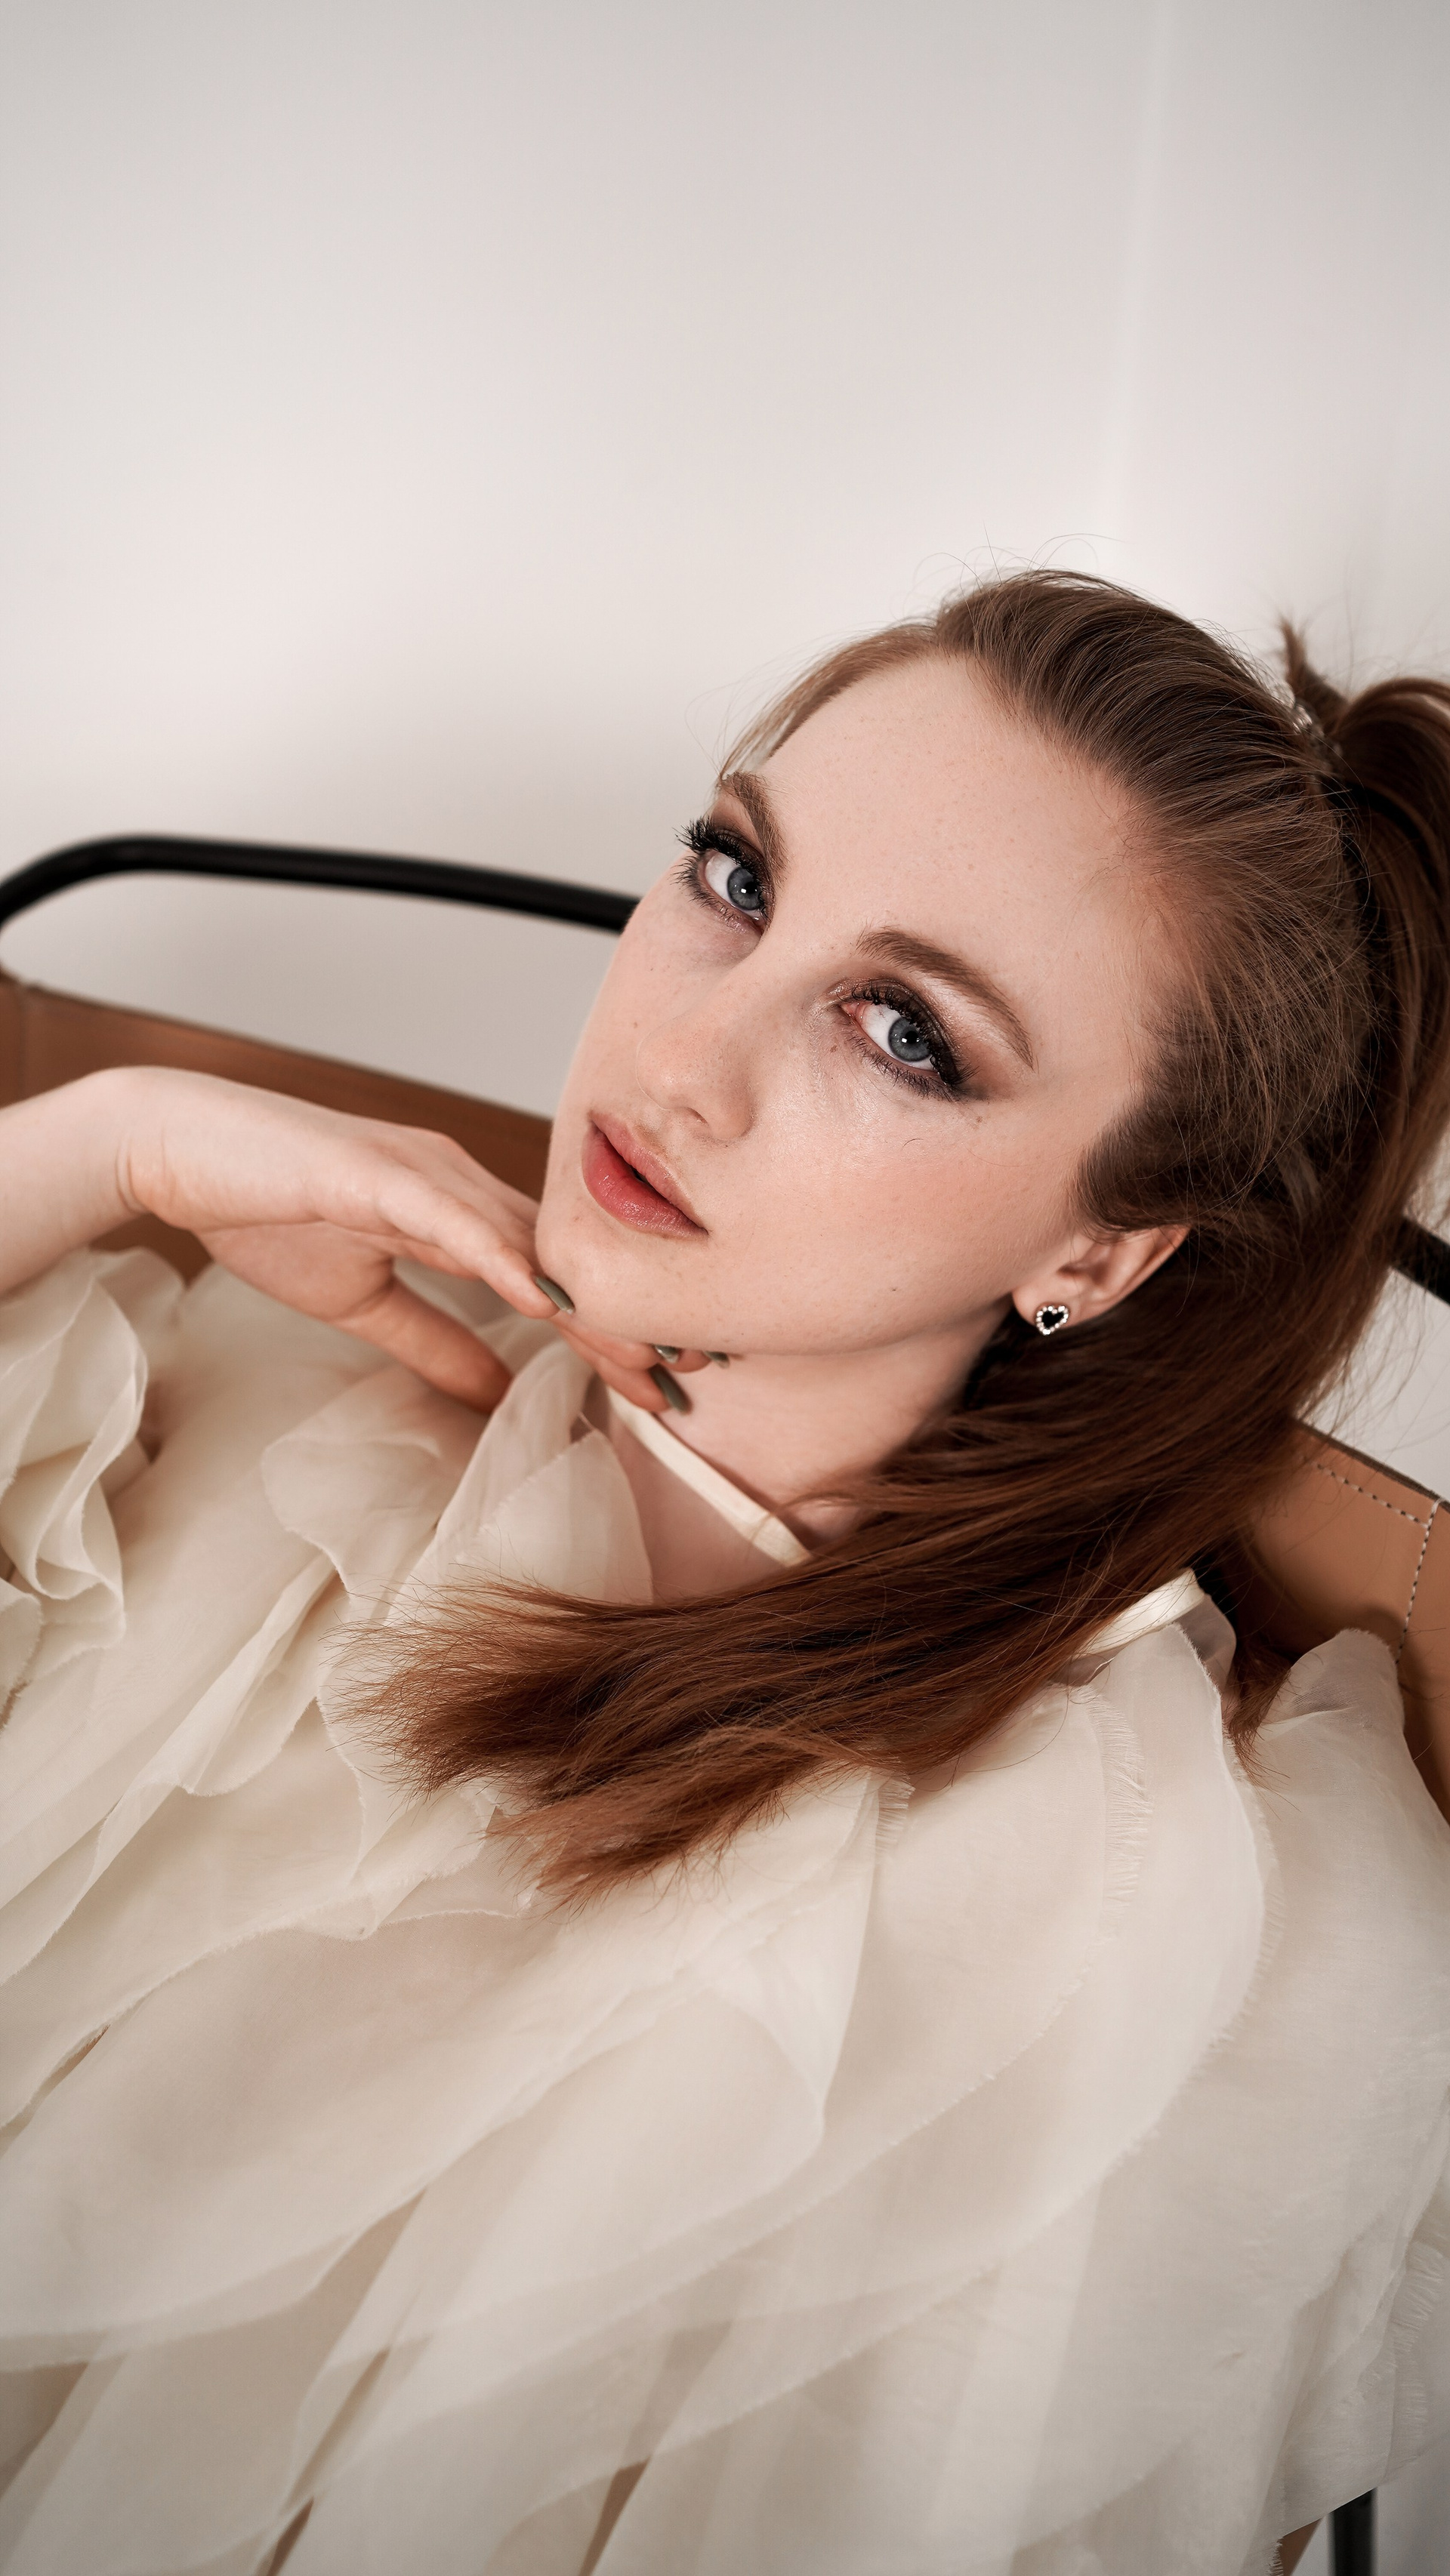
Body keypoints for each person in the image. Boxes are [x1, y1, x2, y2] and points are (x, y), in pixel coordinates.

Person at [0, 572, 1448, 2576]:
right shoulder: (240, 1399)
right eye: (737, 877)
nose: (686, 1058)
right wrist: (110, 1144)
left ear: (1098, 1254)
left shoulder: (1100, 1916)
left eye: (908, 1036)